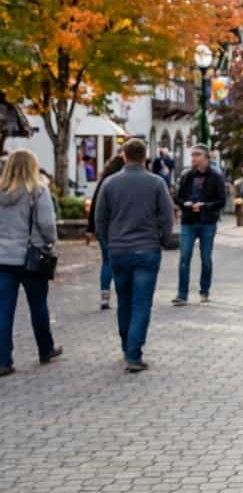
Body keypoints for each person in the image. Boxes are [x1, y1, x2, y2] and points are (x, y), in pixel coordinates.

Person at [94, 137, 174, 373]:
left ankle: (126, 345)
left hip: (119, 250)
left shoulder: (109, 183)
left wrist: (109, 243)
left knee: (125, 301)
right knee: (142, 303)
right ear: (144, 157)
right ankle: (133, 352)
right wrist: (162, 240)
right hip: (147, 249)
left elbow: (100, 220)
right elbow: (167, 217)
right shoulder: (156, 183)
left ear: (124, 156)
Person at [0, 149, 61, 376]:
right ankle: (45, 348)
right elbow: (47, 225)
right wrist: (51, 243)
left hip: (3, 259)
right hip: (31, 257)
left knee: (3, 310)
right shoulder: (37, 191)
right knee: (38, 304)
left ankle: (3, 360)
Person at [172, 144, 226, 305]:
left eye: (197, 155)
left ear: (206, 157)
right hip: (189, 221)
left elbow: (221, 201)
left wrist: (204, 206)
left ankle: (204, 291)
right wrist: (186, 205)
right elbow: (177, 197)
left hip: (207, 222)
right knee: (184, 257)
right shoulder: (186, 175)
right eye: (193, 154)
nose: (194, 157)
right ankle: (182, 295)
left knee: (206, 259)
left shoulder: (216, 176)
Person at [86, 154, 126, 310]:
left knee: (107, 262)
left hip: (104, 228)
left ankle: (104, 296)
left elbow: (95, 205)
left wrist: (91, 228)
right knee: (120, 263)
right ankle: (122, 294)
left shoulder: (104, 182)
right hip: (120, 228)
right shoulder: (123, 183)